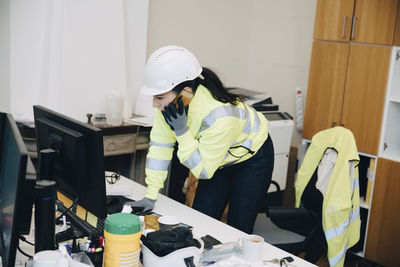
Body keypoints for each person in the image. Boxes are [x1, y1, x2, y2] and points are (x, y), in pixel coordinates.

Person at [128, 45, 274, 233]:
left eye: (159, 97)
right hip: (216, 161)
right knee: (201, 222)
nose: (155, 104)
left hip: (251, 161)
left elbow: (203, 170)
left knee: (238, 229)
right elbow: (160, 147)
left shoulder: (219, 117)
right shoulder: (170, 107)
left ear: (185, 92)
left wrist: (181, 132)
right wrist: (150, 195)